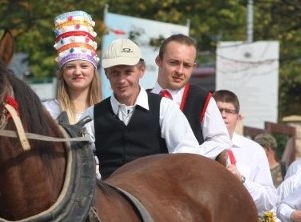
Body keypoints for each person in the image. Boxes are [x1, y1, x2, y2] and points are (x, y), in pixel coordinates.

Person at [81, 38, 202, 180]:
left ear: (142, 70)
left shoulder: (165, 108)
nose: (122, 80)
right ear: (106, 74)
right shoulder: (92, 115)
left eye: (128, 72)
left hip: (156, 195)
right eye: (115, 73)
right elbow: (82, 162)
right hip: (107, 196)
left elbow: (188, 154)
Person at [151, 34, 230, 158]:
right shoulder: (141, 99)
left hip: (189, 175)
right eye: (174, 63)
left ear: (193, 67)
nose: (180, 71)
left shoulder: (202, 99)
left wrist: (190, 156)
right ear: (158, 61)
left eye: (187, 65)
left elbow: (221, 140)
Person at [212, 90, 276, 214]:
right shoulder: (198, 147)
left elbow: (269, 200)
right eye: (218, 110)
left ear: (238, 117)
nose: (223, 115)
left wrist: (242, 181)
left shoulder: (253, 150)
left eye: (229, 111)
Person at [43, 11, 102, 125]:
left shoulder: (107, 111)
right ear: (62, 73)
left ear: (93, 71)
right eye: (70, 67)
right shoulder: (47, 111)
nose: (77, 72)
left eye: (84, 66)